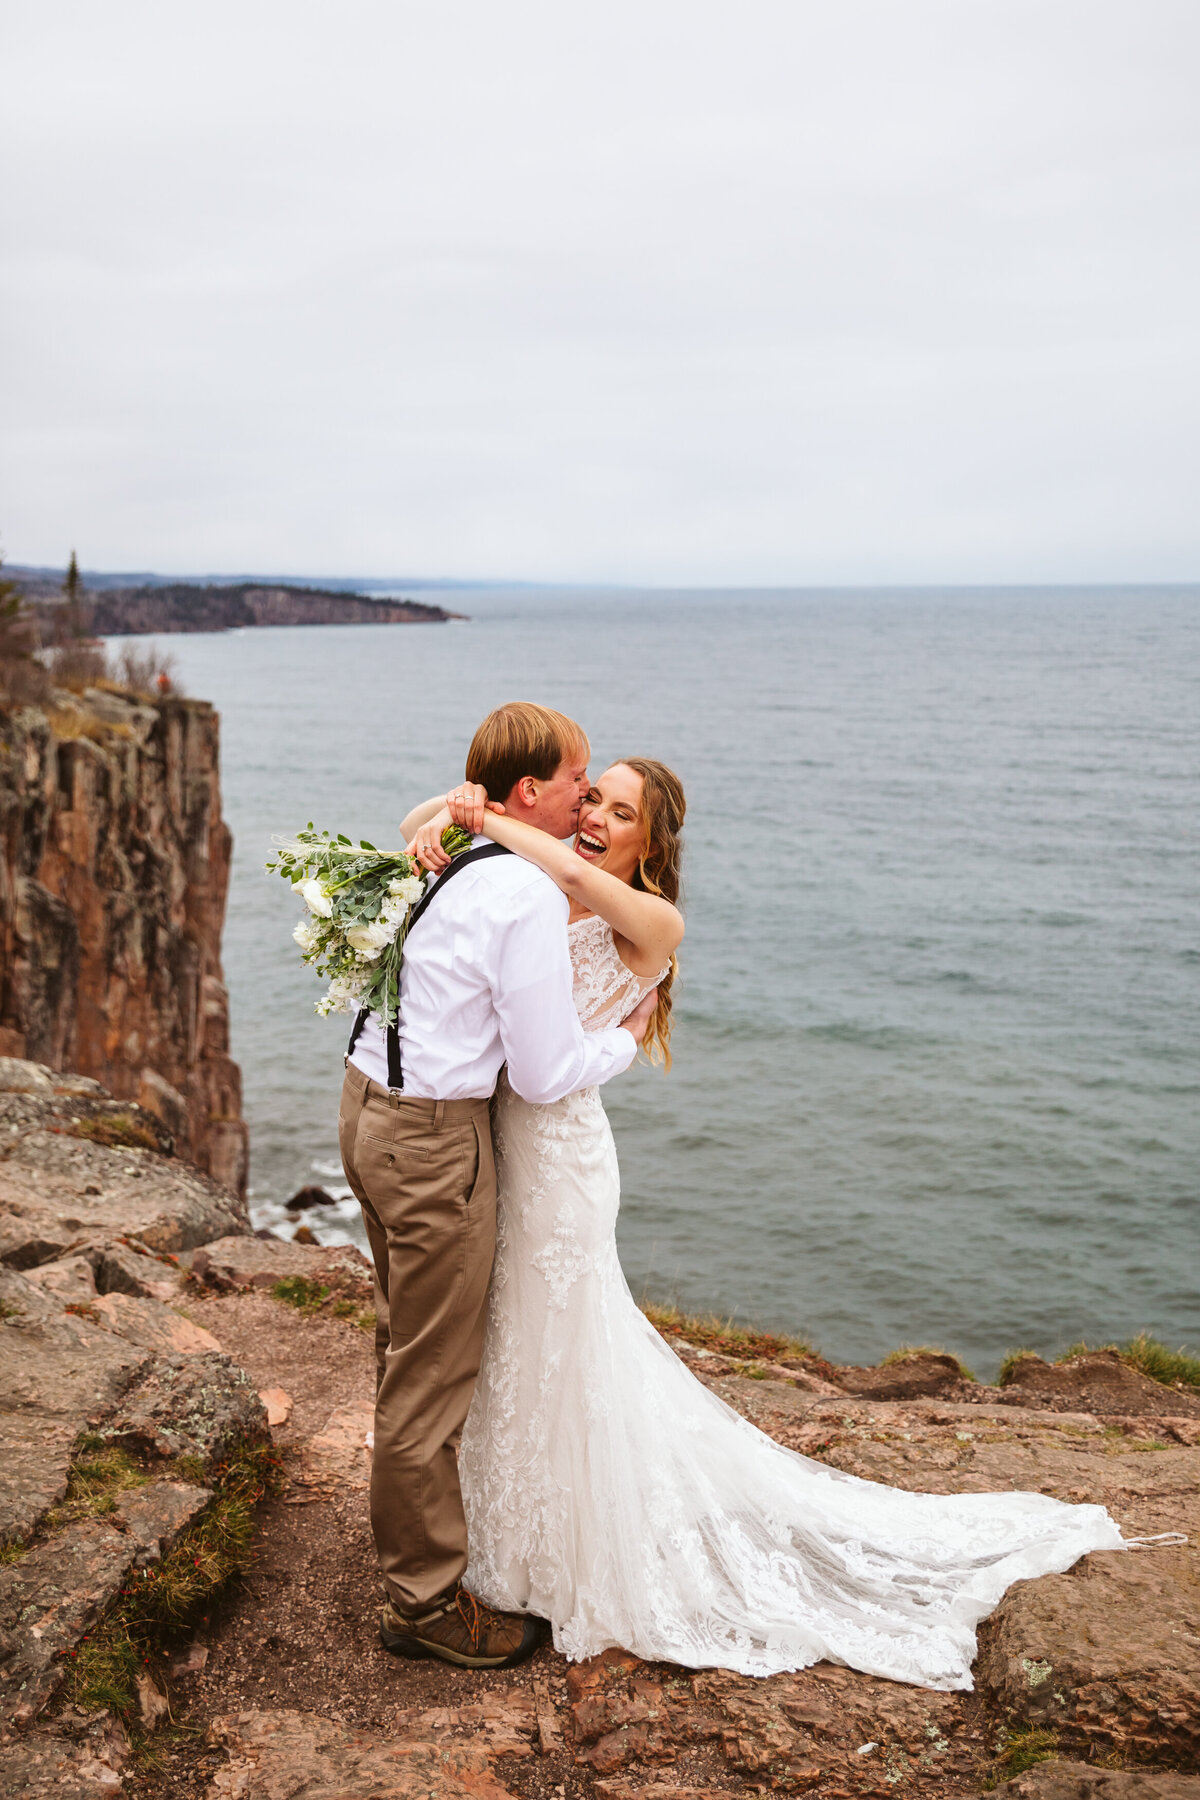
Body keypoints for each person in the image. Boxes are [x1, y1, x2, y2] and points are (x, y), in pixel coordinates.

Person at [403, 753, 1137, 1692]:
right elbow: (419, 825)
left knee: (562, 1344)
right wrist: (451, 809)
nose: (593, 819)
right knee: (511, 1340)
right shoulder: (538, 875)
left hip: (560, 1163)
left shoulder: (649, 921)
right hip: (497, 1146)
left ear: (649, 841)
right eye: (590, 798)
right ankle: (509, 1532)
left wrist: (495, 826)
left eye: (619, 812)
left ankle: (571, 1551)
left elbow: (580, 880)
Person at [339, 701, 659, 1672]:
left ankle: (414, 1533)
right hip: (434, 1143)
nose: (586, 797)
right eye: (578, 781)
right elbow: (543, 1071)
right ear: (530, 793)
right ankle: (425, 1601)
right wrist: (622, 1042)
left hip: (363, 1105)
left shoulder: (455, 857)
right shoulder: (519, 891)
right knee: (431, 1375)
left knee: (405, 1343)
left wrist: (463, 809)